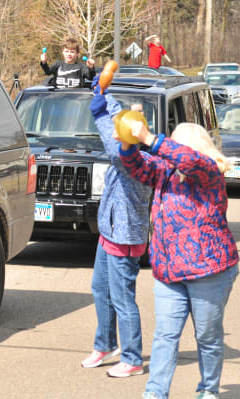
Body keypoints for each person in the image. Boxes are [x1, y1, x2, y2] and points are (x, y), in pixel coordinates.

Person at [117, 122, 239, 399]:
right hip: (169, 271)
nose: (166, 148)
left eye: (173, 142)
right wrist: (126, 141)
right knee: (164, 336)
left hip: (209, 271)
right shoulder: (166, 171)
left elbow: (189, 159)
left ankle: (208, 389)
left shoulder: (209, 171)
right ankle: (155, 393)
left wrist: (149, 138)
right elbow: (134, 165)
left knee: (207, 337)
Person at [80, 76, 152, 378]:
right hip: (109, 234)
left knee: (123, 299)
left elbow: (111, 135)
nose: (116, 134)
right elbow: (117, 127)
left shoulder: (133, 161)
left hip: (125, 239)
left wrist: (100, 100)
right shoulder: (128, 154)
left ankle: (133, 358)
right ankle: (106, 344)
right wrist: (106, 95)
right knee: (100, 289)